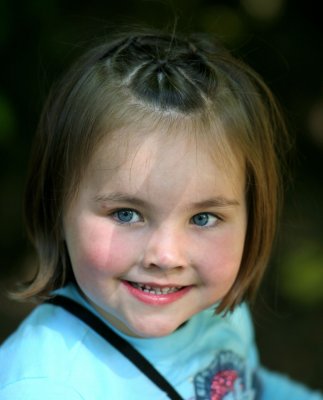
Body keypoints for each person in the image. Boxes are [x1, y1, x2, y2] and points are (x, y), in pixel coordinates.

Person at [0, 28, 321, 400]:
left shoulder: (219, 315)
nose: (166, 256)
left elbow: (253, 389)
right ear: (56, 207)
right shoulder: (46, 387)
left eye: (203, 219)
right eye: (125, 214)